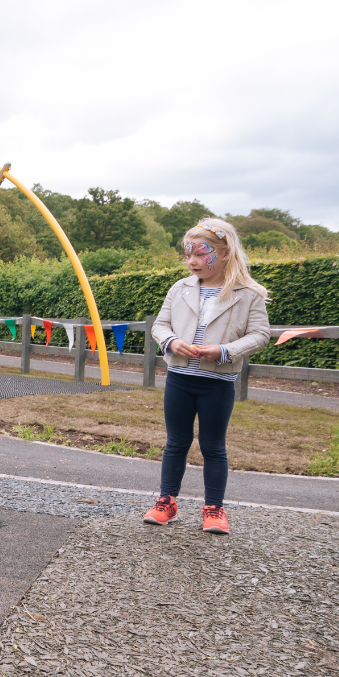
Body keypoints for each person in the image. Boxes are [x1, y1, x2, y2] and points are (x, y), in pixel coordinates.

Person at [144, 218, 270, 535]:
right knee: (176, 443)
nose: (192, 261)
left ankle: (214, 508)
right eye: (188, 254)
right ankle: (166, 502)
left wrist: (224, 351)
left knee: (213, 446)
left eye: (201, 254)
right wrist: (171, 342)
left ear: (225, 252)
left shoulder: (249, 293)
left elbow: (260, 335)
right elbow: (159, 326)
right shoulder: (180, 287)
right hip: (179, 378)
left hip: (218, 383)